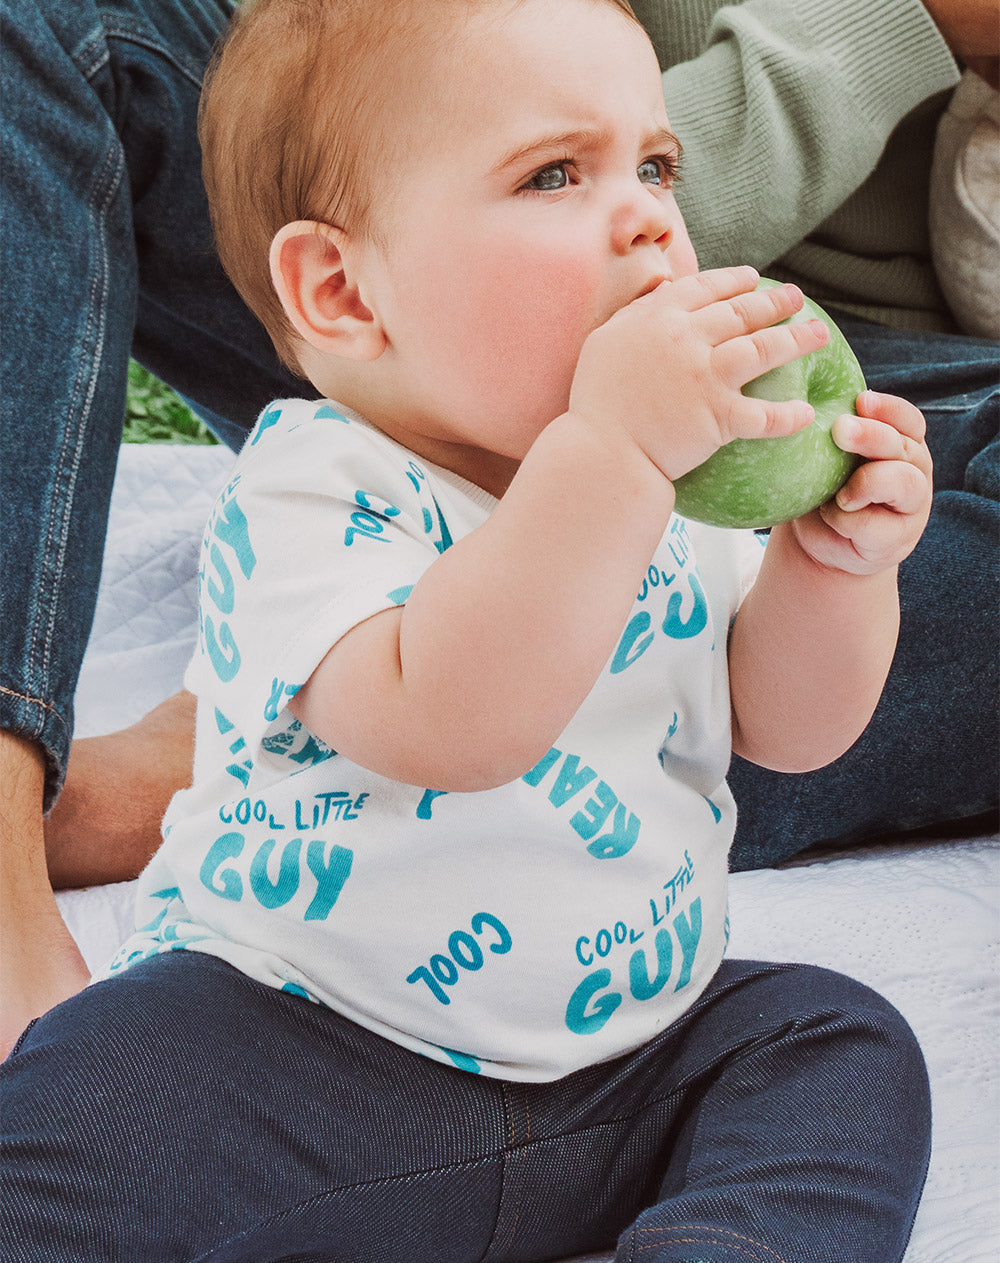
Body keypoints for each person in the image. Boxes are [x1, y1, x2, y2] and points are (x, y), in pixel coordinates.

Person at [1, 0, 936, 1258]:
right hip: (292, 1047)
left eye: (655, 165)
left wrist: (831, 568)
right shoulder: (314, 490)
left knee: (837, 1045)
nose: (650, 217)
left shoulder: (669, 479)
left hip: (623, 1062)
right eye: (555, 173)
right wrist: (608, 452)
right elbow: (455, 722)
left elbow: (793, 733)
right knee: (93, 1097)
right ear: (343, 291)